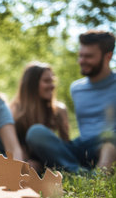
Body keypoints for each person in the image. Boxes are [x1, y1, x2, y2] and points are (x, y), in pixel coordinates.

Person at [23, 30, 115, 173]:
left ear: (108, 57)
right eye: (80, 56)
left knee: (109, 142)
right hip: (82, 147)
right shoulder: (76, 88)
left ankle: (99, 175)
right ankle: (78, 172)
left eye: (88, 56)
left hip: (109, 146)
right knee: (36, 132)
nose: (82, 61)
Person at [10, 62, 70, 172]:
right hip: (26, 161)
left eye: (52, 81)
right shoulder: (14, 113)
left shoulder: (58, 110)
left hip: (53, 162)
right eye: (47, 81)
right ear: (32, 85)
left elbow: (66, 148)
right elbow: (16, 151)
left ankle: (76, 170)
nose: (52, 86)